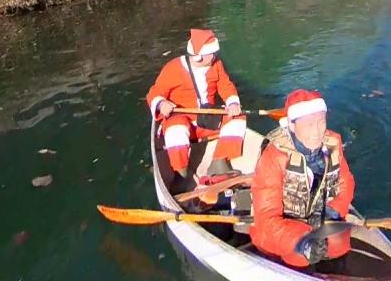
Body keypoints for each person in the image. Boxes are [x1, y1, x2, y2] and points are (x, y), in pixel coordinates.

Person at [251, 89, 356, 268]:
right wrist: (302, 241)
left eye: (321, 122)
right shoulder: (274, 157)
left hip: (324, 226)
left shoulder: (332, 143)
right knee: (299, 259)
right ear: (292, 126)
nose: (317, 132)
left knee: (338, 245)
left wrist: (333, 212)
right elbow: (266, 219)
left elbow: (345, 183)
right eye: (309, 125)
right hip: (288, 234)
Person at [146, 29, 247, 177]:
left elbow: (226, 86)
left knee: (238, 118)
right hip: (182, 119)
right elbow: (154, 93)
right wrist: (161, 104)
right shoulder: (172, 68)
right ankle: (180, 171)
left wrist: (232, 103)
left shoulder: (216, 64)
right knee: (176, 129)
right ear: (198, 56)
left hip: (206, 120)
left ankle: (219, 162)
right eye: (211, 53)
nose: (215, 56)